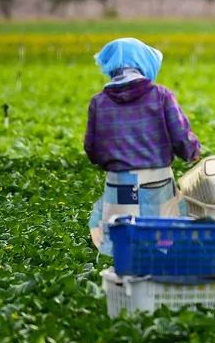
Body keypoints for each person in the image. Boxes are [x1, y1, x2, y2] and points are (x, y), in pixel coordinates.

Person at [84, 37, 201, 253]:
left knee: (125, 241)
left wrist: (114, 162)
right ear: (143, 63)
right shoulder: (161, 96)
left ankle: (128, 272)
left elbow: (92, 148)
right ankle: (160, 267)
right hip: (156, 181)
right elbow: (181, 137)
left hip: (119, 183)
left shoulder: (98, 102)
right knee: (163, 239)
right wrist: (192, 152)